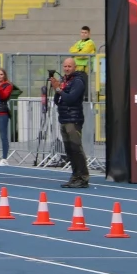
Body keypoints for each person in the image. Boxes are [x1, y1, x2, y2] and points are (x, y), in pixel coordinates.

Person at [51, 57, 89, 188]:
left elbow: (71, 99)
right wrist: (57, 88)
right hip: (64, 118)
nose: (67, 69)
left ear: (75, 67)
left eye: (69, 66)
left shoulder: (78, 81)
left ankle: (83, 177)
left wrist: (58, 90)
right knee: (69, 150)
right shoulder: (64, 81)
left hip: (73, 119)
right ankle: (75, 175)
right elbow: (58, 100)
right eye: (65, 66)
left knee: (76, 148)